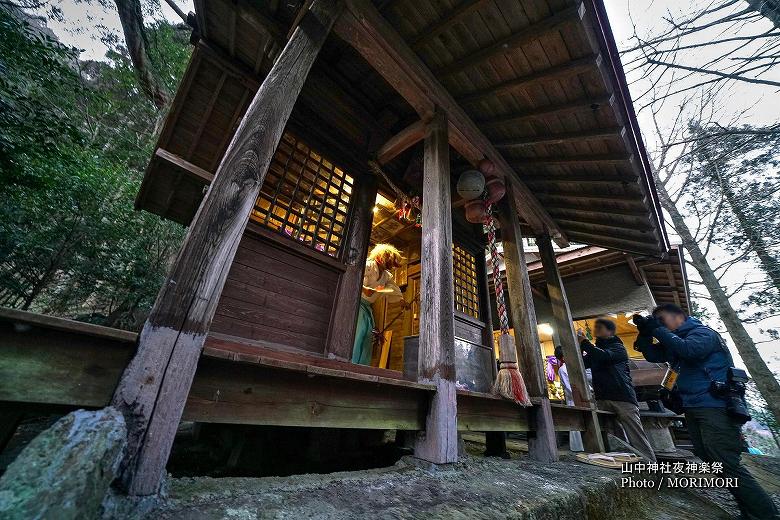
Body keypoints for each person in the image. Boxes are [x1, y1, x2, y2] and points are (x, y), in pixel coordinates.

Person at [635, 304, 779, 520]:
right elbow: (653, 354)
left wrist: (657, 329)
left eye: (662, 319)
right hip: (693, 405)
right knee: (709, 458)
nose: (662, 324)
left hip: (716, 405)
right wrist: (645, 332)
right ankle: (749, 512)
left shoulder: (703, 333)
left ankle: (767, 515)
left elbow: (689, 351)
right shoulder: (674, 340)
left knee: (725, 461)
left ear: (678, 317)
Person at [577, 318, 656, 462]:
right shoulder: (596, 350)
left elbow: (604, 356)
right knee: (614, 437)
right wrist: (579, 346)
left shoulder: (617, 347)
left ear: (610, 331)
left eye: (600, 328)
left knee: (636, 436)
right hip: (603, 397)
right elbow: (582, 362)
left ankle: (651, 466)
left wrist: (584, 342)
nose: (596, 330)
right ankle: (624, 464)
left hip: (623, 397)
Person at [352, 244, 404, 365]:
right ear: (381, 258)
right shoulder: (368, 265)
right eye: (389, 263)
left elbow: (393, 287)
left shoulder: (386, 275)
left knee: (367, 335)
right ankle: (352, 363)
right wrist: (364, 289)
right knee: (359, 332)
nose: (390, 267)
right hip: (356, 304)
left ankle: (362, 366)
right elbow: (354, 276)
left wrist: (401, 300)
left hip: (367, 307)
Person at [554, 345, 584, 452]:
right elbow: (569, 387)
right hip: (574, 399)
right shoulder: (563, 369)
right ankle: (578, 448)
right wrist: (582, 394)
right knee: (575, 425)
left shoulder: (575, 366)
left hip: (582, 398)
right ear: (563, 357)